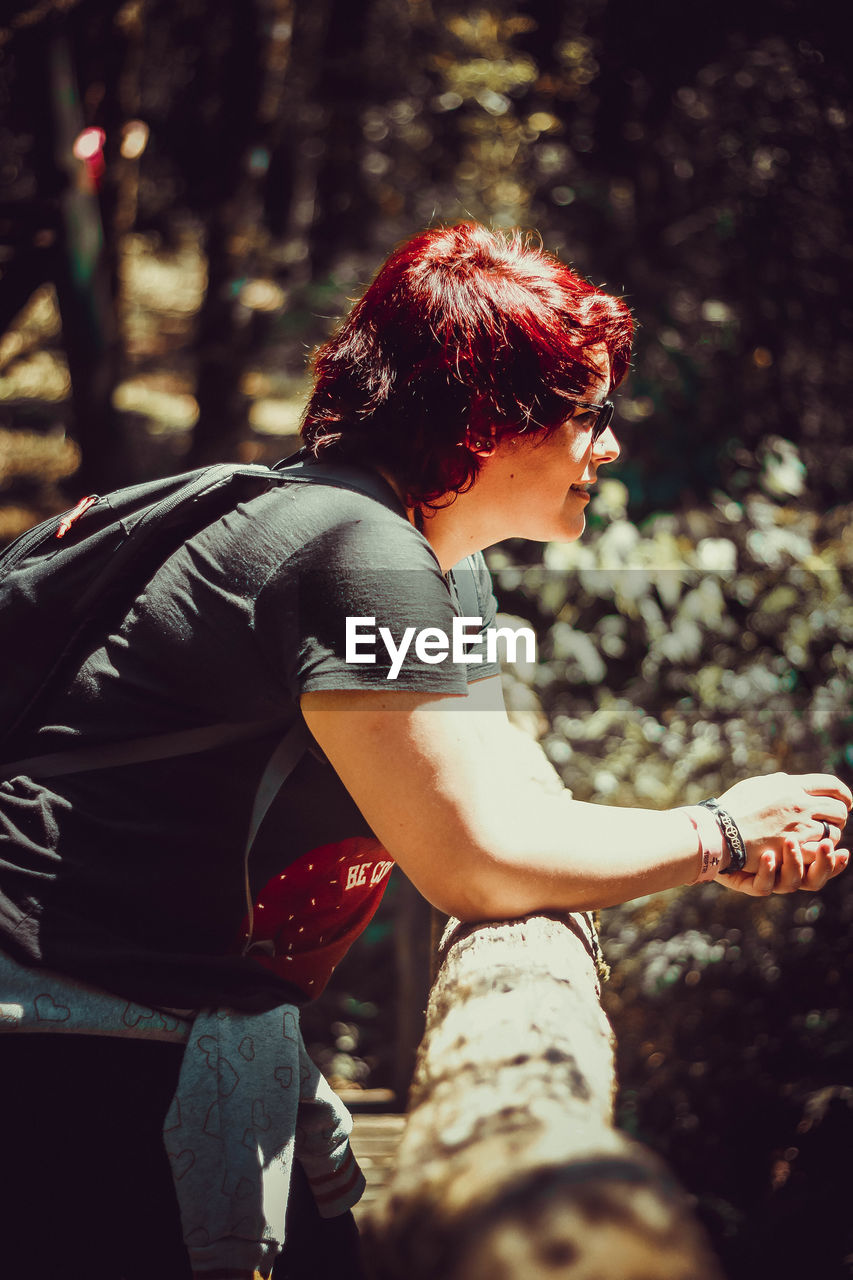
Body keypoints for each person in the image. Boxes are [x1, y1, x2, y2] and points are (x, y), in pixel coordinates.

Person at [0, 221, 849, 1280]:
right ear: (487, 420)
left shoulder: (440, 565)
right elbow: (476, 859)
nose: (611, 445)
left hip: (152, 1024)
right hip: (65, 1039)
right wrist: (719, 833)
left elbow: (491, 793)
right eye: (588, 415)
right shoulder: (356, 553)